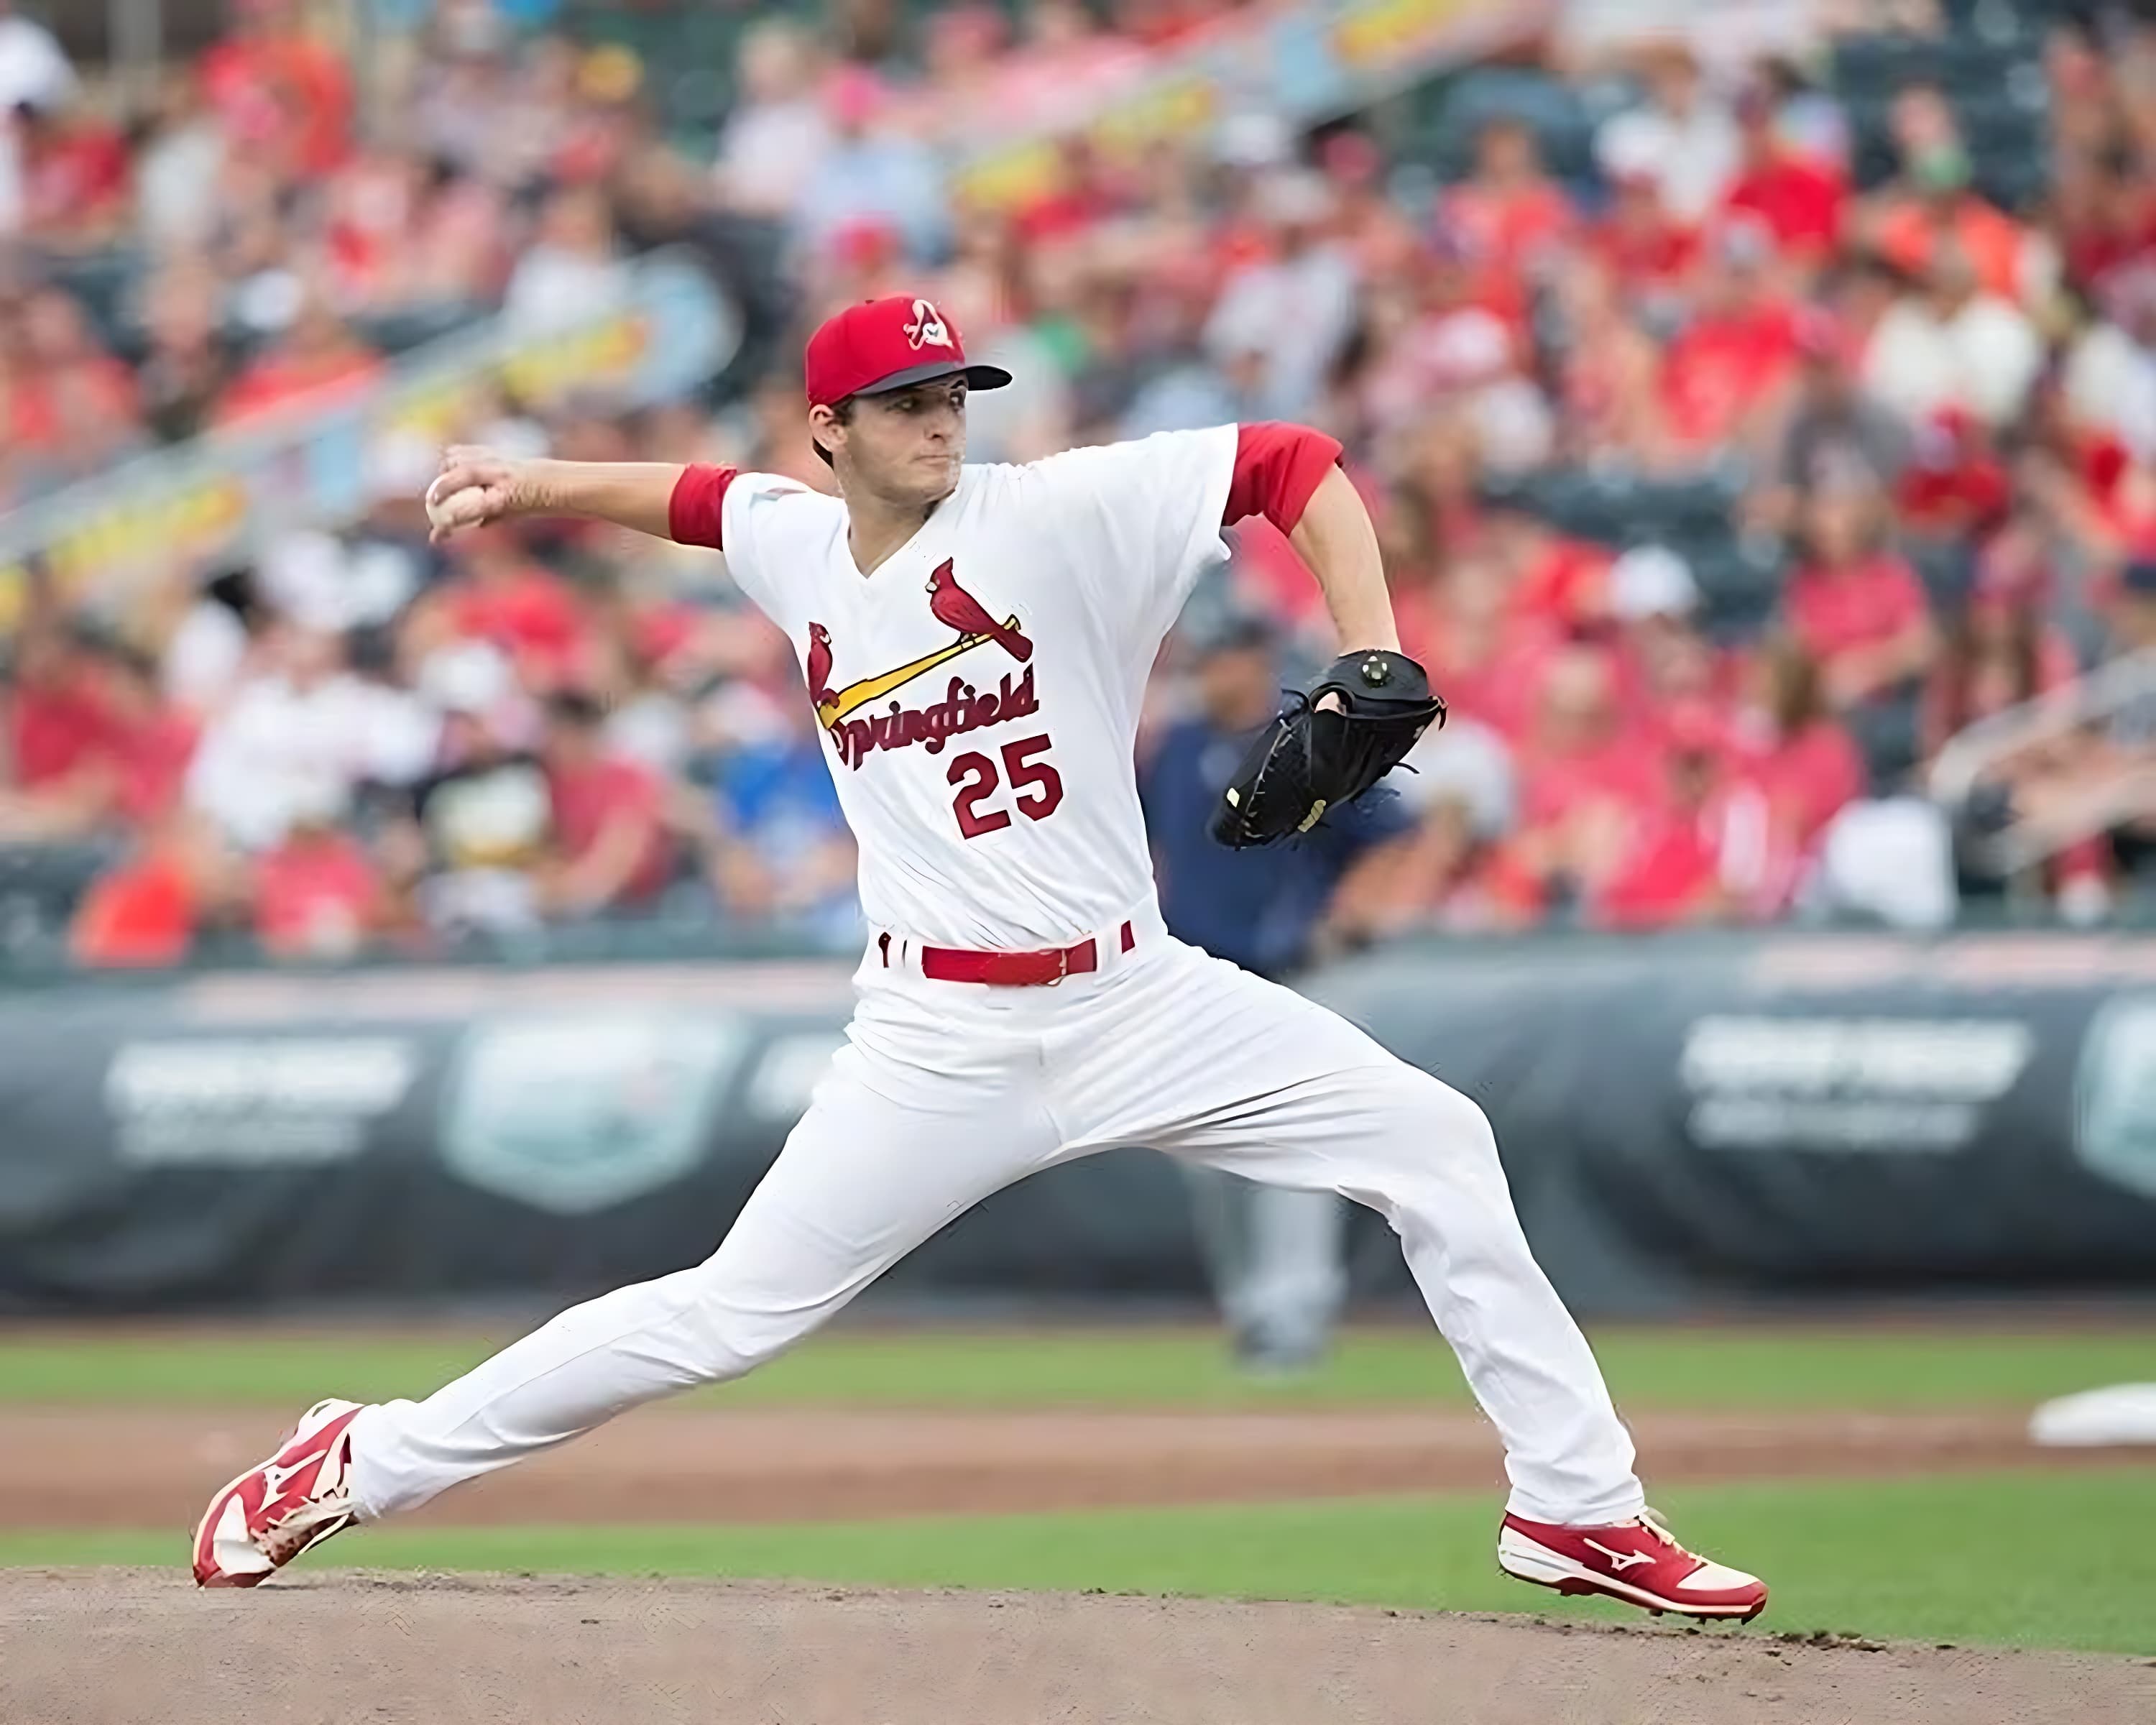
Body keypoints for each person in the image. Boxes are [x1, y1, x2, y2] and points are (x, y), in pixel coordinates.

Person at [193, 293, 1768, 1624]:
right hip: (935, 1039)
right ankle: (360, 1459)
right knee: (733, 1313)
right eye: (900, 401)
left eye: (951, 391)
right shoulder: (797, 543)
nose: (939, 418)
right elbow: (688, 497)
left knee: (1437, 1142)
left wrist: (1376, 648)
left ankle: (1575, 1505)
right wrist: (532, 482)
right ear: (831, 431)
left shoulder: (1060, 511)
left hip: (1140, 996)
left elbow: (1297, 463)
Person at [1139, 610, 1414, 1371]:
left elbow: (1391, 836)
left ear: (1261, 662)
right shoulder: (1179, 745)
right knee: (1204, 1160)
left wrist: (1354, 911)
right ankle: (1253, 1310)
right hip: (1194, 983)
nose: (1218, 671)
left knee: (1296, 1149)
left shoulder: (1308, 739)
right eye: (1211, 657)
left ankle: (1294, 1316)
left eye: (1230, 657)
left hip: (1295, 976)